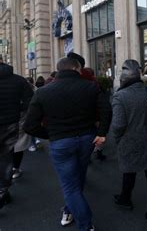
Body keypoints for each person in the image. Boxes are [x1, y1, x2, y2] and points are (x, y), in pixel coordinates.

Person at [24, 57, 112, 230]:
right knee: (78, 176)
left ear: (58, 70)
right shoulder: (90, 87)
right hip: (87, 138)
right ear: (77, 69)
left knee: (71, 185)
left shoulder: (43, 92)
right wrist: (102, 133)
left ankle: (84, 224)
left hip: (61, 142)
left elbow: (29, 125)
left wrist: (50, 135)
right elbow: (106, 110)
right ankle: (74, 213)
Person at [111, 60, 147, 228]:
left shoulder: (120, 96)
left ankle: (125, 199)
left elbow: (118, 125)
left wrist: (117, 138)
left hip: (129, 140)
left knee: (129, 170)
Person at [0, 57, 33, 209]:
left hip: (9, 121)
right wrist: (17, 111)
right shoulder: (19, 80)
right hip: (10, 123)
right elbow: (30, 101)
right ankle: (3, 189)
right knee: (6, 155)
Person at [12, 77, 37, 179]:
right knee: (18, 142)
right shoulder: (19, 81)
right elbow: (30, 100)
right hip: (18, 116)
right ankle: (15, 168)